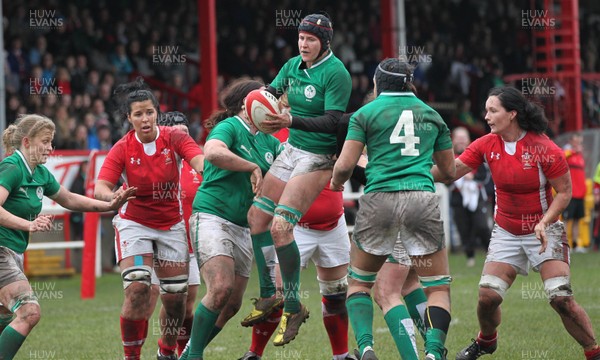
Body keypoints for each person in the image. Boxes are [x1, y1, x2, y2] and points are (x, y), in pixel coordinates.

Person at [431, 86, 600, 360]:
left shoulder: (545, 148)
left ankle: (593, 352)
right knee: (487, 298)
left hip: (545, 231)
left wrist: (544, 221)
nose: (486, 116)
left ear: (512, 114)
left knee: (561, 300)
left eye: (492, 110)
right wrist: (410, 172)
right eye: (486, 110)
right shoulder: (486, 143)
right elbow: (450, 172)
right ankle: (486, 341)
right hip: (506, 231)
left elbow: (565, 193)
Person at [331, 58, 456, 360]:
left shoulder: (365, 113)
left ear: (377, 83)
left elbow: (346, 165)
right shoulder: (433, 115)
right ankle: (434, 353)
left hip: (381, 200)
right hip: (421, 200)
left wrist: (336, 182)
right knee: (436, 286)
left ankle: (367, 347)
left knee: (362, 283)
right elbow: (449, 171)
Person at [245, 12, 352, 347]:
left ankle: (292, 306)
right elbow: (271, 90)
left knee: (280, 227)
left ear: (325, 42)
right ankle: (269, 296)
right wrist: (259, 102)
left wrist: (291, 118)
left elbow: (334, 121)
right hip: (291, 149)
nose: (304, 44)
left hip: (318, 157)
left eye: (311, 39)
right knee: (256, 218)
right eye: (301, 38)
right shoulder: (292, 65)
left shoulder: (337, 73)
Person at [0, 114, 135, 360]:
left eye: (52, 141)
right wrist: (27, 224)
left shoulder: (39, 173)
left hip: (12, 252)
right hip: (1, 251)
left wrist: (110, 205)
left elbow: (70, 199)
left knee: (6, 317)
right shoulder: (11, 167)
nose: (51, 147)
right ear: (27, 142)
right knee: (29, 312)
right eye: (46, 141)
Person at [95, 80, 205, 360]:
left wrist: (210, 172)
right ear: (129, 119)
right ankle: (131, 357)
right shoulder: (122, 148)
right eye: (138, 114)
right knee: (137, 287)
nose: (145, 119)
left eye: (149, 112)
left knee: (176, 298)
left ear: (157, 113)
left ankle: (166, 352)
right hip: (134, 223)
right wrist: (113, 197)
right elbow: (101, 187)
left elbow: (200, 162)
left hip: (171, 225)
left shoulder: (175, 138)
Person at [178, 79, 282, 360]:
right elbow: (212, 152)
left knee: (232, 304)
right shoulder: (230, 127)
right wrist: (251, 167)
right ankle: (195, 355)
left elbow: (293, 172)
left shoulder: (270, 141)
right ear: (246, 103)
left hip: (245, 227)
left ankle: (187, 353)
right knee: (220, 288)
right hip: (212, 216)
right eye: (261, 97)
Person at [147, 111, 203, 356]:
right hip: (162, 243)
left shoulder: (197, 163)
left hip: (191, 245)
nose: (182, 139)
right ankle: (166, 350)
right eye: (177, 134)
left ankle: (181, 351)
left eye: (186, 133)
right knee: (171, 301)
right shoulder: (155, 161)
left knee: (188, 307)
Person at [450, 127, 492, 267]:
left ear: (468, 140)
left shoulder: (476, 155)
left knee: (481, 225)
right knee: (463, 227)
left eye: (464, 138)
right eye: (458, 138)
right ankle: (470, 256)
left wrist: (472, 179)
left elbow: (485, 176)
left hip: (476, 196)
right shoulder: (448, 157)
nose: (461, 141)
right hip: (458, 198)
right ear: (453, 140)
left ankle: (490, 251)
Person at [563, 133, 588, 252]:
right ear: (571, 142)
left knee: (578, 220)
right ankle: (566, 244)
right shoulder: (568, 153)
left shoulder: (580, 157)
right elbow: (562, 158)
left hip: (580, 194)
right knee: (567, 220)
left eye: (580, 142)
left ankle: (576, 244)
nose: (579, 144)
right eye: (577, 142)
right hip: (571, 193)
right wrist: (573, 151)